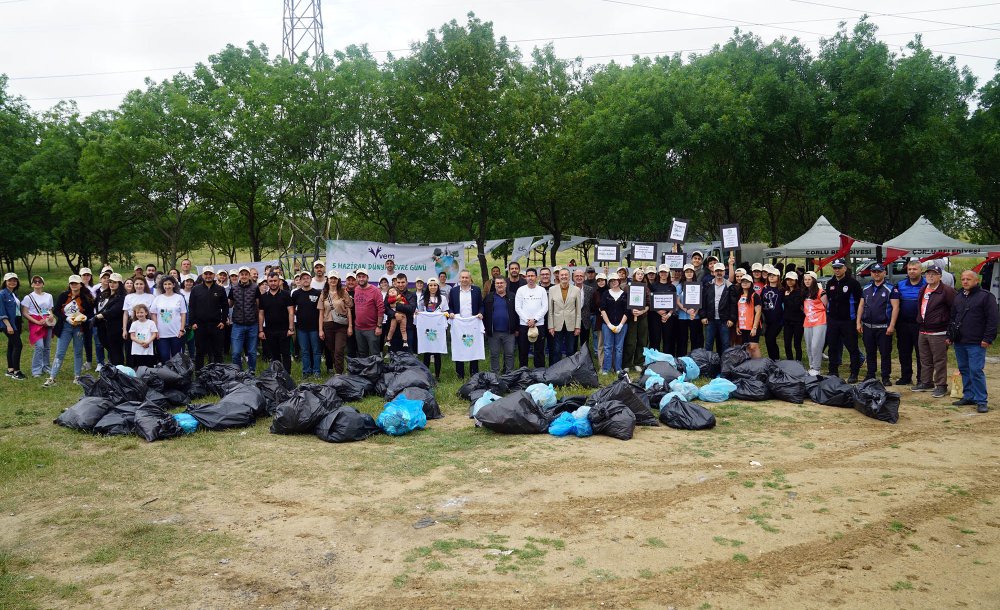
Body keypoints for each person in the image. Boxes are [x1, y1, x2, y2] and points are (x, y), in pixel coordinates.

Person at [949, 270, 998, 413]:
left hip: (977, 342)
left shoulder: (986, 297)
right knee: (964, 369)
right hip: (960, 341)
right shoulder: (958, 297)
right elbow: (953, 318)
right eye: (963, 279)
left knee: (976, 370)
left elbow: (992, 320)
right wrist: (950, 335)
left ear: (976, 281)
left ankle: (981, 400)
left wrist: (988, 338)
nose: (965, 281)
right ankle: (969, 395)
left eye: (968, 279)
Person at [913, 265, 956, 397]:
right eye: (928, 274)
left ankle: (941, 385)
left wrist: (950, 331)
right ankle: (926, 382)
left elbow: (954, 311)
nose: (930, 276)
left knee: (939, 359)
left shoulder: (947, 291)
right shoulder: (923, 289)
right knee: (924, 359)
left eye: (934, 274)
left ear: (940, 276)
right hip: (923, 330)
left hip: (939, 331)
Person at [44, 275, 95, 387]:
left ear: (80, 284)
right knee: (60, 352)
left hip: (79, 328)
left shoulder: (86, 297)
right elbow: (56, 310)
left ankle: (77, 377)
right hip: (65, 327)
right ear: (69, 284)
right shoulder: (63, 296)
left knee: (78, 352)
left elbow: (91, 312)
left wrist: (85, 318)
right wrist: (66, 318)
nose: (74, 285)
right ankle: (52, 377)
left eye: (76, 283)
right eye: (72, 283)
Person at [856, 263, 901, 384]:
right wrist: (858, 322)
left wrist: (892, 325)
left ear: (884, 273)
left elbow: (895, 308)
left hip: (883, 327)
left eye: (879, 271)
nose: (876, 274)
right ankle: (870, 374)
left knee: (885, 353)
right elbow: (861, 305)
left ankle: (885, 377)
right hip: (868, 327)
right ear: (871, 273)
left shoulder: (891, 288)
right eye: (874, 272)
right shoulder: (865, 288)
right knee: (870, 352)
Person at [825, 258, 863, 382]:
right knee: (833, 346)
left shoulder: (853, 283)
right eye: (835, 267)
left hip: (848, 321)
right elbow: (829, 301)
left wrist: (858, 320)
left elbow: (859, 303)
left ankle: (854, 373)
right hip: (833, 321)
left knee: (852, 347)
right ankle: (833, 371)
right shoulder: (830, 283)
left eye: (839, 267)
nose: (837, 270)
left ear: (845, 268)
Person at [187, 266, 228, 371]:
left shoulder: (220, 289)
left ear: (214, 275)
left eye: (210, 274)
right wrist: (193, 322)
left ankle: (218, 373)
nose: (208, 276)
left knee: (217, 351)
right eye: (206, 274)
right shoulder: (196, 289)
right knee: (200, 351)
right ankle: (199, 373)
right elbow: (191, 307)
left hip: (216, 325)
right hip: (200, 326)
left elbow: (225, 306)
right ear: (202, 275)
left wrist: (223, 321)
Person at [895, 259, 926, 386]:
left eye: (915, 269)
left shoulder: (926, 284)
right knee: (904, 352)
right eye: (909, 269)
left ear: (921, 270)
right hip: (903, 324)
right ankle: (906, 377)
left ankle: (921, 378)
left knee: (921, 353)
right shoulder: (900, 284)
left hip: (920, 324)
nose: (912, 272)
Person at [448, 270, 484, 378]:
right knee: (459, 347)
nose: (464, 280)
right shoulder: (454, 291)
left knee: (473, 346)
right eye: (462, 277)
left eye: (466, 278)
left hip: (473, 324)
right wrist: (451, 313)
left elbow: (481, 306)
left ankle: (474, 374)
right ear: (459, 279)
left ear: (470, 279)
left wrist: (481, 313)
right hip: (459, 325)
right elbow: (450, 307)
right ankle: (460, 375)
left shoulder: (476, 290)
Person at [318, 271, 353, 375]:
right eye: (331, 278)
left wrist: (350, 326)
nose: (333, 280)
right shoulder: (323, 293)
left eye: (335, 278)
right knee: (332, 350)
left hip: (341, 326)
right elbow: (321, 313)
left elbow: (349, 310)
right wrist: (320, 330)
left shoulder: (343, 292)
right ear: (327, 280)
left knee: (339, 350)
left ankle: (339, 373)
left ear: (338, 280)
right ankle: (336, 368)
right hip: (328, 325)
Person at [258, 273, 294, 372]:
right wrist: (260, 330)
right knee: (274, 355)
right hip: (269, 331)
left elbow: (291, 311)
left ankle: (287, 376)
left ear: (279, 281)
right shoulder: (263, 297)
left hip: (285, 330)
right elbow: (261, 314)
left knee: (286, 354)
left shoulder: (286, 294)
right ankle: (277, 376)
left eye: (275, 281)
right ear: (267, 282)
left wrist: (291, 328)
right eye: (271, 281)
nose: (273, 283)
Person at [547, 268, 583, 365]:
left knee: (570, 350)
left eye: (566, 275)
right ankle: (556, 371)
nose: (564, 277)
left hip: (571, 324)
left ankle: (570, 371)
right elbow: (551, 310)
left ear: (569, 277)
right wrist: (550, 326)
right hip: (556, 324)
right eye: (562, 275)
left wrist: (577, 326)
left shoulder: (576, 290)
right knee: (557, 350)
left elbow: (578, 310)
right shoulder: (552, 289)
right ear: (558, 276)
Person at [21, 275, 54, 378]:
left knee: (47, 347)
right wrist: (36, 322)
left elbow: (49, 309)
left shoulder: (49, 296)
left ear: (43, 284)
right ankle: (36, 370)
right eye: (35, 281)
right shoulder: (28, 297)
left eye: (39, 281)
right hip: (35, 323)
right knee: (39, 346)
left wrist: (51, 315)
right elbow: (25, 313)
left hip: (47, 322)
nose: (37, 283)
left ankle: (46, 367)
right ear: (32, 284)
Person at [515, 268, 548, 369]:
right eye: (528, 276)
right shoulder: (521, 290)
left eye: (532, 276)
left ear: (536, 277)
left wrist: (535, 320)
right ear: (525, 277)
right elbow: (517, 307)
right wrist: (527, 320)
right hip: (524, 325)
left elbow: (545, 307)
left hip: (539, 324)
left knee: (539, 350)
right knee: (523, 350)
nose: (530, 278)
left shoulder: (542, 290)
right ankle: (523, 372)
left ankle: (539, 371)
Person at [229, 266, 260, 373]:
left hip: (252, 324)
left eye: (246, 274)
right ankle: (239, 372)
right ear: (239, 276)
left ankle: (251, 372)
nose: (244, 276)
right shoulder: (234, 288)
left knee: (252, 352)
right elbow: (230, 304)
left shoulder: (255, 288)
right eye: (242, 274)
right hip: (238, 324)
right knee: (236, 352)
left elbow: (258, 305)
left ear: (249, 275)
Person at [484, 276, 517, 375]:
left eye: (501, 283)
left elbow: (517, 313)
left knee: (510, 354)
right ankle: (495, 374)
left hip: (509, 331)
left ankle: (509, 373)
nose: (499, 285)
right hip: (493, 332)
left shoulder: (512, 296)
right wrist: (486, 328)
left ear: (505, 284)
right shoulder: (489, 297)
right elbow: (484, 314)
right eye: (497, 283)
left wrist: (516, 328)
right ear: (495, 285)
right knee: (494, 354)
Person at [292, 271, 322, 378]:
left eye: (307, 278)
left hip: (314, 328)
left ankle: (317, 371)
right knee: (304, 351)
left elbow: (321, 311)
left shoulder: (317, 293)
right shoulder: (296, 294)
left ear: (311, 279)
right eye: (303, 278)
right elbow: (292, 309)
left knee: (316, 351)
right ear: (299, 281)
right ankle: (306, 371)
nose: (305, 280)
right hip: (301, 328)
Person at [150, 276, 187, 362]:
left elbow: (183, 314)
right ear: (162, 286)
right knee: (164, 356)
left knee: (176, 357)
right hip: (162, 334)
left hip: (176, 333)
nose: (167, 286)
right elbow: (153, 314)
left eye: (169, 284)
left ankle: (177, 374)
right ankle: (166, 374)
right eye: (165, 284)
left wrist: (182, 329)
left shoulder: (179, 297)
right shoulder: (158, 298)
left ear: (174, 285)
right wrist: (156, 330)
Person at [93, 273, 126, 366]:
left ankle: (119, 370)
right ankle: (112, 368)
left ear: (119, 284)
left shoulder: (122, 297)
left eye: (115, 282)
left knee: (116, 350)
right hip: (102, 326)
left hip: (115, 327)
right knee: (109, 348)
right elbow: (96, 305)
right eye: (110, 281)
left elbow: (115, 310)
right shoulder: (103, 294)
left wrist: (101, 315)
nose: (112, 284)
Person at [418, 277, 449, 378]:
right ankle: (426, 375)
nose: (433, 287)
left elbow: (446, 311)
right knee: (427, 352)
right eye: (431, 285)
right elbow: (420, 312)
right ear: (428, 286)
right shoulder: (423, 299)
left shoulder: (443, 298)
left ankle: (437, 376)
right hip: (426, 329)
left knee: (437, 352)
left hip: (438, 329)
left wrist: (445, 314)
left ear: (438, 286)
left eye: (435, 285)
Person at [701, 262, 733, 354]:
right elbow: (703, 302)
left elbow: (732, 304)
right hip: (710, 320)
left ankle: (725, 366)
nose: (719, 273)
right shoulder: (707, 285)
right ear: (713, 272)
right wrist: (703, 316)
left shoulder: (729, 286)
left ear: (724, 272)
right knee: (708, 345)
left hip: (725, 320)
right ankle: (708, 366)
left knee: (725, 345)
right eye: (717, 271)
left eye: (721, 271)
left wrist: (731, 318)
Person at [352, 269, 385, 358]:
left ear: (367, 278)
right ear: (356, 278)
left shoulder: (375, 291)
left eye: (363, 277)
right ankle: (365, 371)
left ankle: (376, 371)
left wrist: (379, 326)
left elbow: (381, 309)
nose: (361, 279)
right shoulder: (356, 289)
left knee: (375, 353)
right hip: (358, 328)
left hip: (372, 329)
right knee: (362, 353)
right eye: (359, 277)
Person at [621, 268, 649, 372]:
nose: (640, 276)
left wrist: (642, 312)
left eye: (642, 274)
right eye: (638, 274)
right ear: (634, 275)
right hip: (631, 318)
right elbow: (624, 302)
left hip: (643, 317)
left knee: (642, 340)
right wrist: (631, 310)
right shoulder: (628, 288)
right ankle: (627, 363)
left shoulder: (646, 288)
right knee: (630, 341)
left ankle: (638, 362)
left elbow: (648, 304)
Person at [600, 276, 629, 374]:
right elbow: (602, 309)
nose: (613, 282)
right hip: (607, 325)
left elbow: (627, 311)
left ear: (619, 281)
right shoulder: (605, 294)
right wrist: (609, 324)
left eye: (615, 280)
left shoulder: (625, 295)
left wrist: (620, 325)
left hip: (622, 325)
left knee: (619, 348)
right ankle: (606, 369)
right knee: (608, 347)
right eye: (611, 281)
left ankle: (618, 368)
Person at [801, 271, 828, 376]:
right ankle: (811, 367)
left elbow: (826, 306)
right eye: (805, 279)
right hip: (808, 322)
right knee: (808, 346)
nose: (807, 281)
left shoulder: (821, 292)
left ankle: (817, 368)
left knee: (816, 345)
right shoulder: (804, 292)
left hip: (820, 321)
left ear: (814, 280)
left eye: (809, 279)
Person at [674, 264, 701, 357]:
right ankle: (682, 357)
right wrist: (686, 311)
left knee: (695, 338)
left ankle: (695, 358)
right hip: (682, 316)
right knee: (682, 338)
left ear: (693, 273)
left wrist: (695, 312)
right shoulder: (679, 286)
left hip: (695, 316)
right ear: (684, 273)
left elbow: (700, 301)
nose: (689, 274)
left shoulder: (698, 285)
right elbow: (677, 301)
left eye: (691, 272)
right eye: (687, 272)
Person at [1, 272, 24, 379]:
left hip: (17, 322)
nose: (12, 282)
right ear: (5, 282)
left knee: (12, 345)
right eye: (9, 280)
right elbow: (1, 311)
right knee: (18, 345)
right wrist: (8, 325)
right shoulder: (2, 294)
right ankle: (16, 372)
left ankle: (10, 369)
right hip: (9, 323)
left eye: (14, 280)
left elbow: (17, 310)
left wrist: (21, 323)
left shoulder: (13, 293)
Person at [386, 274, 417, 353]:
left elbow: (411, 309)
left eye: (403, 282)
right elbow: (385, 308)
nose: (400, 284)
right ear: (395, 283)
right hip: (393, 328)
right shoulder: (391, 293)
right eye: (398, 282)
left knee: (407, 353)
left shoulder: (412, 295)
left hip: (407, 328)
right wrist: (395, 314)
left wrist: (396, 305)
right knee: (394, 353)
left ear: (407, 282)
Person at [648, 264, 675, 353]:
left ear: (668, 273)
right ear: (659, 273)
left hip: (668, 317)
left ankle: (667, 360)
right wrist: (659, 312)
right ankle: (654, 360)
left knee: (668, 339)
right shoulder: (653, 286)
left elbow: (674, 303)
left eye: (665, 272)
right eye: (662, 272)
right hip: (655, 316)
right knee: (655, 338)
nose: (663, 274)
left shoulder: (672, 287)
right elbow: (650, 301)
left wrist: (668, 314)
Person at [735, 276, 763, 359]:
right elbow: (738, 312)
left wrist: (754, 327)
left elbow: (758, 312)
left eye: (747, 281)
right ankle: (751, 367)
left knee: (753, 346)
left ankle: (759, 366)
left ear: (751, 283)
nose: (744, 283)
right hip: (743, 326)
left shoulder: (755, 296)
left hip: (753, 326)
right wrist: (737, 326)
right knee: (747, 347)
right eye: (743, 281)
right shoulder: (739, 296)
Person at [760, 267, 784, 360]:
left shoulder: (781, 290)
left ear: (778, 277)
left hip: (777, 320)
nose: (771, 277)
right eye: (770, 275)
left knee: (770, 339)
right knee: (769, 341)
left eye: (774, 275)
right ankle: (772, 360)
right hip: (766, 320)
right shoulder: (764, 288)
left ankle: (776, 360)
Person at [782, 271, 805, 362]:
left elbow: (795, 306)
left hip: (798, 321)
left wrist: (787, 297)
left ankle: (798, 361)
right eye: (788, 279)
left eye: (792, 280)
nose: (789, 281)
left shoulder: (800, 292)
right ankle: (790, 361)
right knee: (787, 343)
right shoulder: (785, 291)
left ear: (796, 280)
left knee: (797, 343)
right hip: (787, 321)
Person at [128, 303, 159, 369]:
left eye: (141, 312)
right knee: (138, 367)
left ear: (146, 313)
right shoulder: (134, 324)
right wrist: (141, 342)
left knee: (149, 367)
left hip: (148, 349)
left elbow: (154, 334)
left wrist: (147, 342)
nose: (139, 314)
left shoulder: (151, 323)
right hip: (137, 350)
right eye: (137, 313)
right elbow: (132, 336)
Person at [573, 269, 595, 356]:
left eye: (581, 276)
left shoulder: (590, 290)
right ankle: (573, 361)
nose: (579, 278)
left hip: (585, 320)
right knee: (572, 344)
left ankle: (584, 361)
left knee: (584, 344)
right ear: (573, 277)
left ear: (584, 277)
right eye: (577, 276)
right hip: (572, 321)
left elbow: (591, 305)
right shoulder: (569, 289)